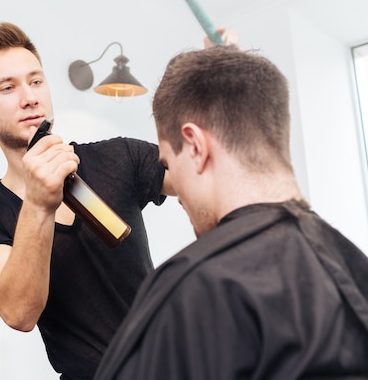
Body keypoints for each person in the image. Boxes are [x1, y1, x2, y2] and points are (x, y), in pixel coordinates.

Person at [93, 45, 368, 379]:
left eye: (167, 163)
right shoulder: (352, 264)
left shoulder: (195, 287)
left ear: (195, 146)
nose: (176, 191)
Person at [0, 21, 177, 380]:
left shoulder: (120, 156)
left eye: (36, 80)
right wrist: (38, 202)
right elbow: (19, 314)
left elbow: (203, 175)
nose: (29, 96)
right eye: (7, 87)